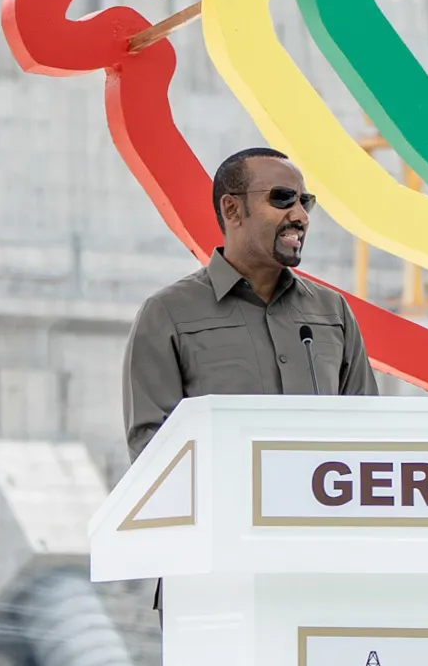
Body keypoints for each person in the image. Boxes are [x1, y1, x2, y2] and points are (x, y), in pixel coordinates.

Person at [123, 145, 375, 462]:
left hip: (322, 510)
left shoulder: (331, 312)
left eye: (305, 202)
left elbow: (369, 435)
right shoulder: (169, 314)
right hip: (225, 511)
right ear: (232, 210)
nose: (300, 216)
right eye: (282, 198)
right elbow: (152, 451)